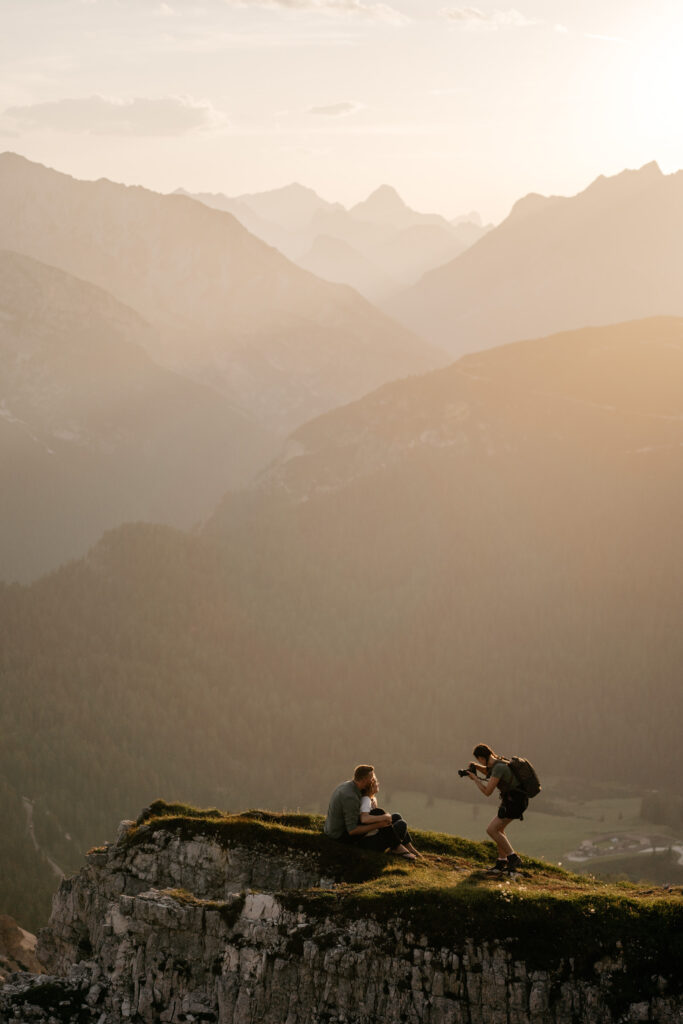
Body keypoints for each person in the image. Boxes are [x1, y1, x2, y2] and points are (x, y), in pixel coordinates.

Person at [324, 764, 416, 860]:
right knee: (382, 814)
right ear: (364, 780)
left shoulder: (351, 786)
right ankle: (397, 847)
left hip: (338, 828)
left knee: (395, 817)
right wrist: (379, 825)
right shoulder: (350, 797)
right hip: (340, 835)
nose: (374, 780)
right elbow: (352, 830)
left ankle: (405, 847)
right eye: (371, 778)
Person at [466, 743, 526, 873]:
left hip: (514, 802)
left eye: (478, 760)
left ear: (482, 758)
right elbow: (488, 771)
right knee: (499, 829)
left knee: (491, 830)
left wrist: (475, 778)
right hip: (513, 800)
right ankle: (502, 861)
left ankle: (513, 857)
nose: (479, 762)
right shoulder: (498, 762)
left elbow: (487, 792)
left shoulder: (498, 768)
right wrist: (475, 767)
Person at [359, 775, 421, 859]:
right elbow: (365, 819)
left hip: (375, 834)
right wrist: (384, 817)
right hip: (372, 842)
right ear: (371, 787)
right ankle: (396, 848)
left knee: (396, 816)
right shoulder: (366, 800)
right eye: (376, 783)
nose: (378, 784)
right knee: (401, 824)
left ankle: (409, 847)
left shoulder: (371, 799)